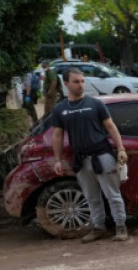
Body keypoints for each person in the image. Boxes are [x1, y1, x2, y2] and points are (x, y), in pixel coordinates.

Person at [51, 68, 130, 242]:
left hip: (102, 155)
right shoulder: (60, 109)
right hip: (80, 158)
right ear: (66, 84)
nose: (81, 85)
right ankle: (98, 228)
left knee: (112, 194)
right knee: (91, 197)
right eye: (76, 81)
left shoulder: (95, 104)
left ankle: (120, 227)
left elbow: (111, 127)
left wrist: (121, 148)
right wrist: (57, 160)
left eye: (82, 81)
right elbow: (57, 135)